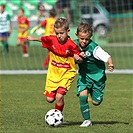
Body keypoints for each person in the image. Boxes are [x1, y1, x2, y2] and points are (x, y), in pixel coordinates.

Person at [27, 18, 84, 112]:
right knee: (49, 99)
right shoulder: (52, 40)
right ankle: (57, 108)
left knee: (59, 96)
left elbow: (80, 60)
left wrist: (79, 58)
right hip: (53, 73)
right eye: (57, 33)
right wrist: (33, 39)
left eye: (61, 33)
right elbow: (43, 39)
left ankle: (58, 115)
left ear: (68, 31)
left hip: (67, 73)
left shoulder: (72, 45)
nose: (59, 36)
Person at [74, 22, 114, 127]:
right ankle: (87, 120)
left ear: (90, 37)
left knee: (96, 102)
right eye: (81, 38)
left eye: (86, 39)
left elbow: (107, 56)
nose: (84, 41)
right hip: (84, 76)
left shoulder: (94, 48)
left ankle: (95, 93)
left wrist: (110, 64)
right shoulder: (73, 44)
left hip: (98, 77)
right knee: (82, 96)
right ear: (77, 35)